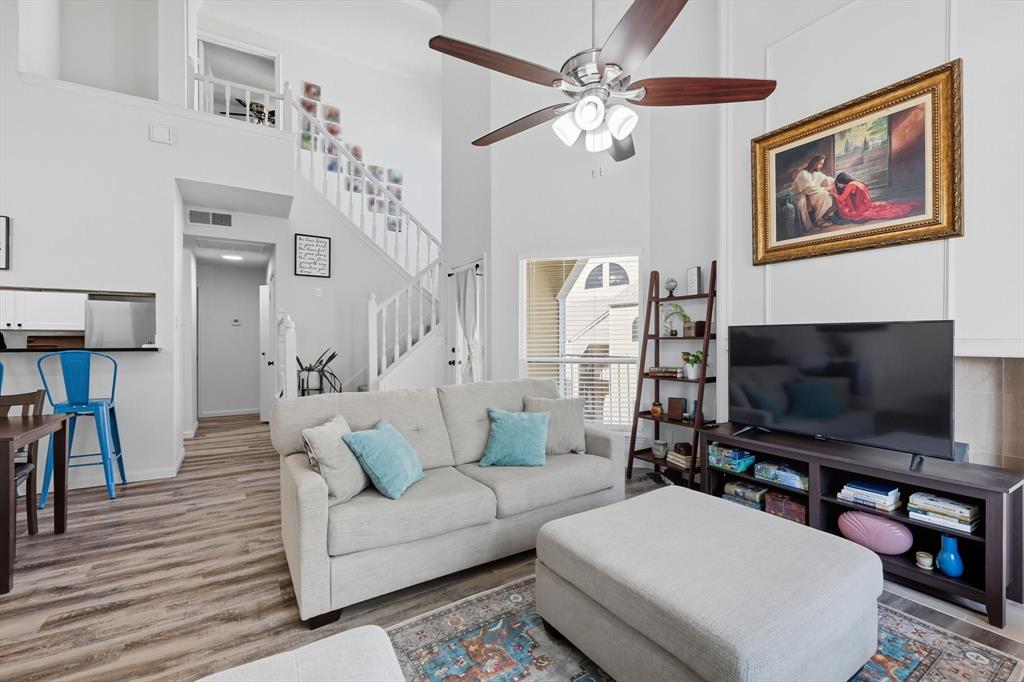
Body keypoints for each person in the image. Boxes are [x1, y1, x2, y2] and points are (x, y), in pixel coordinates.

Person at [830, 172, 921, 223]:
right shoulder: (858, 182)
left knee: (846, 209)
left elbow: (841, 198)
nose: (840, 186)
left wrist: (833, 193)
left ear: (842, 181)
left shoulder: (850, 185)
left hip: (860, 208)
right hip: (867, 205)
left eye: (838, 184)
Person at [792, 154, 835, 230]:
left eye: (822, 164)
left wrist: (835, 183)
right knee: (824, 194)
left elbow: (826, 178)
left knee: (830, 193)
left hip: (811, 195)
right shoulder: (803, 174)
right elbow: (809, 190)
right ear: (815, 163)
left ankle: (824, 216)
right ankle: (818, 220)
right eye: (820, 164)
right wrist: (826, 188)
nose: (821, 166)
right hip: (803, 197)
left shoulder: (816, 173)